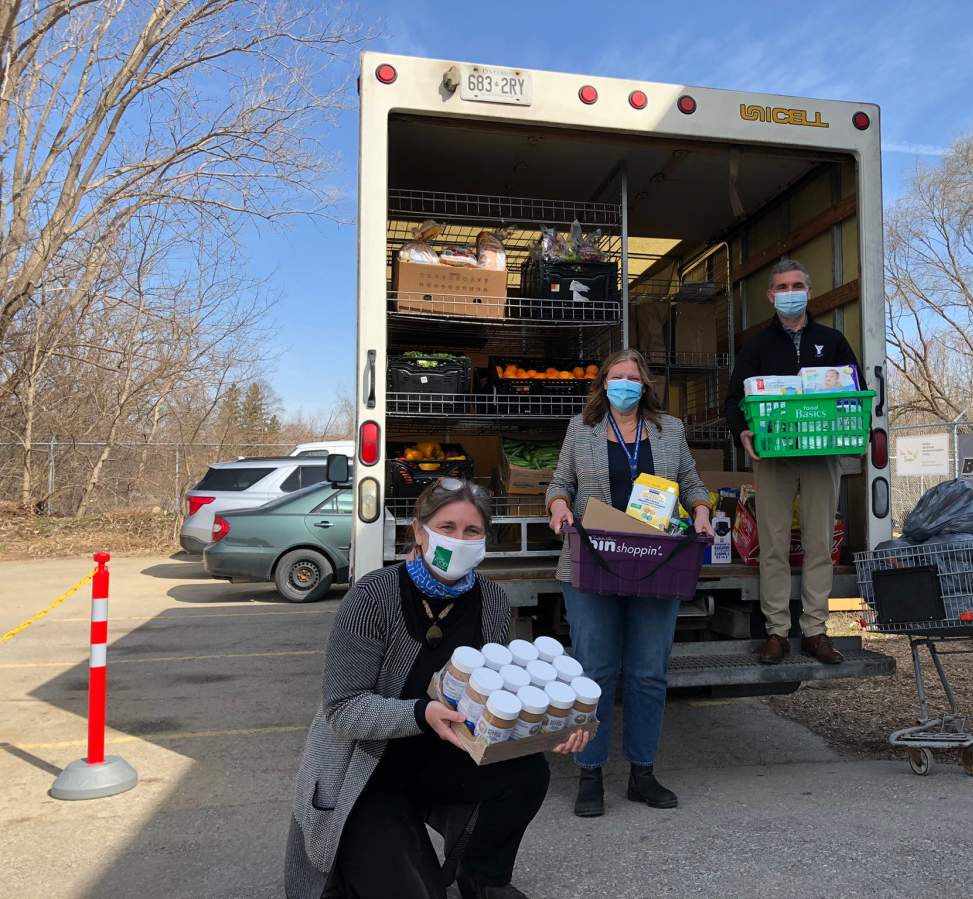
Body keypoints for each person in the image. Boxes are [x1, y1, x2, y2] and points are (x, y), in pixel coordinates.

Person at [284, 479, 588, 899]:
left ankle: (483, 876)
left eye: (472, 532)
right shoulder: (372, 596)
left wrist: (548, 727)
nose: (459, 540)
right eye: (447, 527)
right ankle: (365, 845)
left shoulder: (493, 601)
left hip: (445, 756)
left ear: (485, 540)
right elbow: (343, 709)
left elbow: (492, 698)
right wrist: (420, 713)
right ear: (419, 531)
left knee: (526, 773)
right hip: (371, 768)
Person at [546, 348, 714, 818]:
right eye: (616, 378)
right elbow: (560, 483)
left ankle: (643, 772)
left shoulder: (669, 429)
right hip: (593, 560)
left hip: (655, 560)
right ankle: (590, 771)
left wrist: (700, 512)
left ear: (645, 385)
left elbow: (691, 481)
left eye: (632, 378)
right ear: (602, 384)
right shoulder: (581, 428)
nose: (625, 385)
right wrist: (558, 506)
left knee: (647, 673)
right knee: (594, 671)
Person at [725, 258, 860, 667]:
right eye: (781, 287)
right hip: (774, 455)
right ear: (770, 296)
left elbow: (857, 391)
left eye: (796, 285)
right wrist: (742, 431)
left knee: (820, 543)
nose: (789, 293)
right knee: (775, 545)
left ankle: (816, 630)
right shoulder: (757, 346)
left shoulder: (832, 340)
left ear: (809, 290)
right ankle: (777, 632)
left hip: (820, 455)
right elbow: (734, 399)